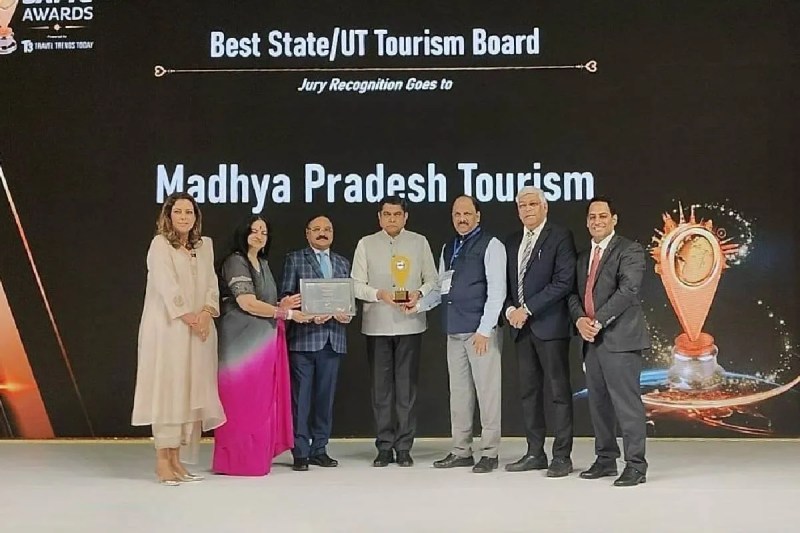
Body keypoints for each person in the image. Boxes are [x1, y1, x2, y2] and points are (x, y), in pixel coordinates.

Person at [132, 192, 226, 486]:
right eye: (178, 212)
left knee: (189, 390)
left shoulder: (204, 246)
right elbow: (166, 286)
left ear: (196, 217)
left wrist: (207, 313)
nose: (184, 217)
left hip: (199, 331)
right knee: (169, 389)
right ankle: (163, 461)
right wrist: (189, 317)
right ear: (168, 216)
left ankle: (177, 460)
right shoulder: (160, 245)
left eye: (189, 212)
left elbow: (212, 284)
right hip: (169, 329)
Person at [212, 214, 310, 476]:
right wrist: (287, 314)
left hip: (263, 343)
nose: (259, 236)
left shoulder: (262, 263)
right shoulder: (236, 261)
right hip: (240, 345)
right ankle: (236, 461)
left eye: (264, 232)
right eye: (254, 230)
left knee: (260, 403)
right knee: (240, 403)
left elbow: (264, 303)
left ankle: (256, 457)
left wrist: (281, 305)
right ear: (243, 233)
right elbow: (247, 303)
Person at [415, 196, 507, 473]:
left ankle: (490, 453)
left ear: (478, 216)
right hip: (453, 331)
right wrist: (417, 306)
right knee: (459, 395)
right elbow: (440, 288)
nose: (462, 218)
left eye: (467, 213)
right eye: (457, 214)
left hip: (480, 333)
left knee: (488, 395)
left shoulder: (492, 245)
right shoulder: (449, 247)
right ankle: (461, 450)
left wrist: (485, 329)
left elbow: (497, 291)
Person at [568, 196, 650, 487]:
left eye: (603, 216)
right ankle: (605, 459)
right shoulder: (582, 257)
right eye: (592, 216)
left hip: (620, 339)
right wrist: (580, 320)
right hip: (591, 341)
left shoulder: (629, 250)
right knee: (599, 403)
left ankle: (636, 466)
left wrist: (597, 321)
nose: (597, 221)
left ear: (614, 219)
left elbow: (628, 290)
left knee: (626, 405)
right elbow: (573, 294)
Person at [351, 195, 438, 467]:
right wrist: (379, 294)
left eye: (397, 214)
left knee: (406, 389)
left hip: (409, 323)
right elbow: (356, 285)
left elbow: (432, 280)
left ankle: (404, 447)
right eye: (387, 214)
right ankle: (384, 446)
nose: (392, 219)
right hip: (377, 325)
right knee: (381, 390)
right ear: (379, 218)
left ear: (405, 217)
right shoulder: (366, 243)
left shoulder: (419, 242)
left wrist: (418, 293)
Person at [503, 186, 577, 477]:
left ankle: (562, 456)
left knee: (559, 393)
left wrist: (528, 309)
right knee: (528, 393)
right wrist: (510, 310)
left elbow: (563, 281)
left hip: (550, 327)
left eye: (532, 204)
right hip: (520, 329)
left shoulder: (560, 236)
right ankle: (535, 453)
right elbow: (505, 285)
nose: (527, 209)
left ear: (544, 207)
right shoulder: (512, 241)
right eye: (522, 205)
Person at [280, 215, 352, 472]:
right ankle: (300, 452)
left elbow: (347, 299)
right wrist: (307, 312)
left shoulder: (342, 262)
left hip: (333, 339)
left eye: (327, 229)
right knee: (301, 400)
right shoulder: (295, 259)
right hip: (304, 340)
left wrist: (346, 313)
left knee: (325, 399)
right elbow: (286, 296)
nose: (323, 233)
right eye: (317, 229)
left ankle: (320, 449)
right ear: (307, 233)